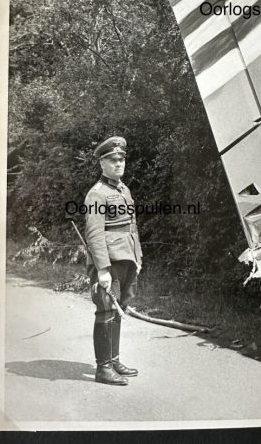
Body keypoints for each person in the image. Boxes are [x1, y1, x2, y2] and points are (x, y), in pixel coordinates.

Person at [84, 136, 142, 385]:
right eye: (113, 160)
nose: (119, 164)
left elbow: (132, 227)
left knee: (120, 307)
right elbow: (95, 234)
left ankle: (114, 358)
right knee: (107, 309)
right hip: (109, 262)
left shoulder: (123, 189)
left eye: (121, 160)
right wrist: (103, 270)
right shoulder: (97, 195)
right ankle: (103, 368)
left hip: (127, 258)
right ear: (102, 163)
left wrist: (138, 256)